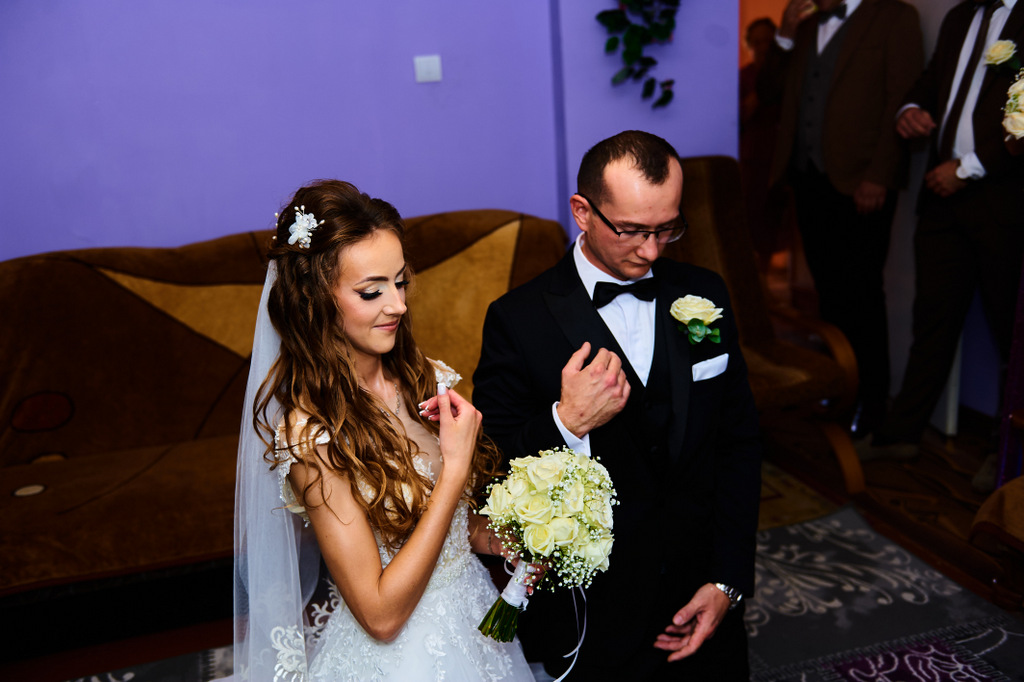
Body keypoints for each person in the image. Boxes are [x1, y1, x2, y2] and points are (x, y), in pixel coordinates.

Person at [473, 131, 762, 680]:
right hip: (594, 612)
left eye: (667, 228)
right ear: (583, 211)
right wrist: (567, 422)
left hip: (700, 589)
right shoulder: (518, 319)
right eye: (630, 230)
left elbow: (738, 443)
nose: (651, 251)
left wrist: (728, 580)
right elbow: (490, 464)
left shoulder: (705, 293)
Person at [232, 180, 535, 681]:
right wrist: (455, 470)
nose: (397, 305)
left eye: (400, 282)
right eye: (372, 291)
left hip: (473, 626)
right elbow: (380, 616)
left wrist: (508, 537)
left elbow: (454, 528)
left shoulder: (425, 378)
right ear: (316, 300)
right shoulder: (311, 437)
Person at [862, 0, 1024, 461]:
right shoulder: (961, 15)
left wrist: (969, 168)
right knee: (932, 319)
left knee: (1010, 334)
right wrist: (910, 108)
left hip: (1004, 202)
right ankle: (902, 434)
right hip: (941, 197)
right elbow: (932, 81)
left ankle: (1005, 454)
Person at [761, 0, 924, 436]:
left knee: (863, 294)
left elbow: (902, 97)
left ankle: (872, 403)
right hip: (808, 179)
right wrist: (784, 35)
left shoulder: (895, 17)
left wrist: (881, 175)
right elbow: (771, 93)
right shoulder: (805, 25)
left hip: (862, 183)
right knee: (829, 293)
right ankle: (838, 389)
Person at [740, 17, 788, 274]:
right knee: (750, 216)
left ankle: (765, 276)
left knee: (774, 218)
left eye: (767, 41)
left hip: (779, 156)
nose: (762, 47)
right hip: (750, 157)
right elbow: (738, 117)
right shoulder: (743, 77)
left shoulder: (786, 76)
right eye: (756, 42)